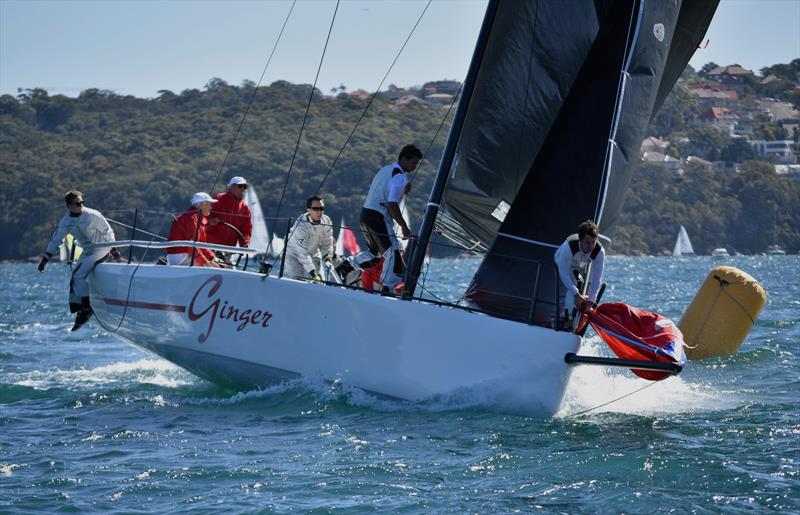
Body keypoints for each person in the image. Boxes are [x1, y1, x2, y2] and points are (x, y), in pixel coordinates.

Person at [341, 144, 422, 293]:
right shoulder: (400, 177)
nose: (415, 167)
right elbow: (392, 204)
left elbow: (386, 190)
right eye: (413, 163)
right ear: (404, 158)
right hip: (377, 217)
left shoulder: (386, 170)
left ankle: (344, 267)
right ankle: (388, 288)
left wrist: (403, 188)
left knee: (375, 253)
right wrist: (404, 227)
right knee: (393, 251)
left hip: (366, 214)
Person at [38, 190, 118, 331]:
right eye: (77, 203)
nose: (81, 205)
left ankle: (87, 308)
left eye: (82, 202)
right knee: (74, 278)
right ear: (69, 206)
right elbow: (56, 239)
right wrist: (45, 259)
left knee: (78, 275)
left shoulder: (93, 215)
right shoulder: (66, 221)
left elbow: (108, 232)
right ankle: (80, 312)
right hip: (88, 251)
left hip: (101, 248)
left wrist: (113, 250)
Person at [554, 219, 606, 320]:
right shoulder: (568, 247)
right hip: (561, 261)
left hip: (580, 264)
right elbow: (563, 273)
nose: (591, 246)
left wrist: (591, 300)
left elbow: (597, 278)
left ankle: (577, 315)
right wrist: (576, 294)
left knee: (585, 286)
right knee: (573, 285)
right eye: (587, 242)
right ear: (580, 240)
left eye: (593, 242)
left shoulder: (599, 252)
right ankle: (568, 320)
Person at [284, 196, 335, 281]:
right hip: (294, 254)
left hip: (314, 253)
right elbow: (302, 252)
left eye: (321, 208)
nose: (319, 212)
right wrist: (313, 273)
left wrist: (328, 257)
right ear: (309, 210)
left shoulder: (327, 221)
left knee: (320, 282)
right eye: (315, 209)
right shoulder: (301, 226)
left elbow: (327, 242)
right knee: (298, 282)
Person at [166, 192, 223, 267]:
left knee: (217, 264)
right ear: (202, 205)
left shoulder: (198, 219)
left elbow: (202, 245)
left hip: (186, 254)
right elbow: (192, 246)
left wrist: (212, 258)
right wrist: (206, 263)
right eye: (209, 204)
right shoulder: (190, 218)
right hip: (180, 256)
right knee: (212, 267)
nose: (211, 207)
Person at [205, 176, 253, 251]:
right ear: (231, 187)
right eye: (240, 186)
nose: (243, 188)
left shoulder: (245, 209)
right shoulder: (218, 198)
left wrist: (245, 244)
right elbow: (203, 216)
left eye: (245, 186)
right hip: (210, 246)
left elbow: (246, 230)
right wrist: (209, 221)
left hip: (229, 249)